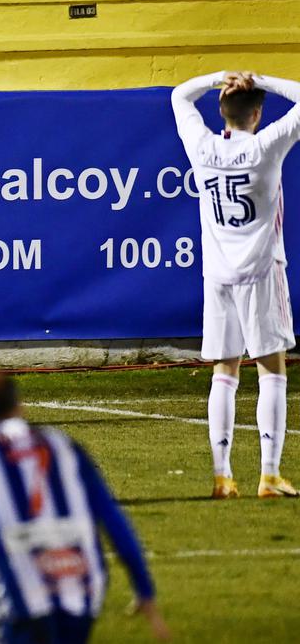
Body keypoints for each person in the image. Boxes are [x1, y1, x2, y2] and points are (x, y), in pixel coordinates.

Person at [0, 374, 170, 643]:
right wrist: (144, 589)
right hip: (82, 590)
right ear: (19, 406)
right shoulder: (65, 446)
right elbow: (114, 521)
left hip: (20, 597)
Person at [171, 70, 300, 499]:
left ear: (222, 112)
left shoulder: (203, 146)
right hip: (263, 272)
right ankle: (269, 474)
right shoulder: (265, 146)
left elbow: (179, 95)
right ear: (258, 114)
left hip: (219, 276)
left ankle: (223, 476)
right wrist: (259, 77)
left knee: (224, 373)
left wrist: (215, 77)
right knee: (271, 371)